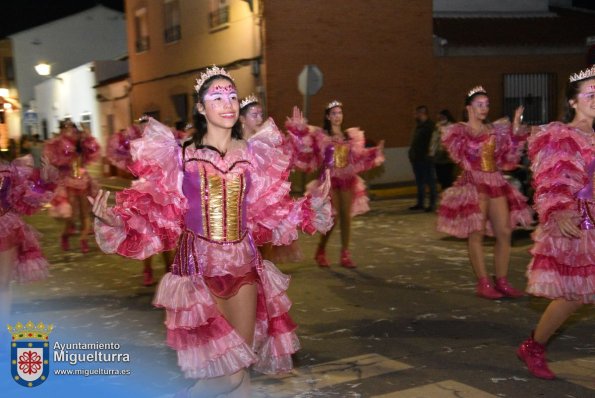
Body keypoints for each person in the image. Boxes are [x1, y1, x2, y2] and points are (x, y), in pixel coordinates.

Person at [89, 66, 332, 397]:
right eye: (217, 97)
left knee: (240, 370)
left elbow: (267, 212)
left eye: (232, 96)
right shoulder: (181, 156)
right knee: (225, 376)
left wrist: (310, 207)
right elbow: (161, 215)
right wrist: (118, 222)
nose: (228, 103)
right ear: (201, 108)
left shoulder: (251, 154)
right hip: (200, 268)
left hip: (244, 264)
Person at [517, 65, 595, 380]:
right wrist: (559, 209)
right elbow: (551, 179)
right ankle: (534, 345)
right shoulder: (561, 135)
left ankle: (533, 345)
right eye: (591, 94)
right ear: (573, 101)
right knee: (572, 297)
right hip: (578, 223)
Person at [436, 86, 532, 299]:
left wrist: (516, 129)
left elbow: (508, 158)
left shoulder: (496, 130)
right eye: (479, 105)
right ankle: (483, 282)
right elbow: (459, 154)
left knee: (505, 232)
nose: (484, 108)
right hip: (473, 183)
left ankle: (502, 281)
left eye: (487, 104)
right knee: (476, 233)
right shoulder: (460, 130)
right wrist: (472, 125)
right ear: (469, 107)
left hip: (495, 181)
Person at [286, 101, 384, 268]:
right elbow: (306, 146)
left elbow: (357, 157)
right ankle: (321, 250)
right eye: (334, 113)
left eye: (339, 113)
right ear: (327, 116)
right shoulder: (321, 135)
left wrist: (373, 152)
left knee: (346, 216)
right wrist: (299, 129)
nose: (337, 116)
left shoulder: (350, 136)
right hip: (328, 181)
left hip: (347, 179)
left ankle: (345, 254)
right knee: (334, 216)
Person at [0, 154, 56, 325]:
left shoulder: (11, 173)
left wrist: (44, 182)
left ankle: (2, 328)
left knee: (3, 282)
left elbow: (29, 196)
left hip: (6, 228)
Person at [44, 119, 100, 253]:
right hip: (68, 181)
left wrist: (87, 134)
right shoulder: (58, 145)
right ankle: (65, 236)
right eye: (66, 128)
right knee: (71, 215)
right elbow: (54, 160)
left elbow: (93, 149)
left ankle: (84, 239)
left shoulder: (82, 144)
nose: (70, 131)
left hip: (83, 181)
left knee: (85, 214)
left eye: (72, 129)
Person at [408, 105, 437, 212]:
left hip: (426, 159)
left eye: (416, 113)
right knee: (419, 182)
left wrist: (429, 155)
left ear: (422, 113)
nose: (414, 115)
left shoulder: (430, 126)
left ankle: (432, 204)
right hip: (417, 159)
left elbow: (433, 143)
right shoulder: (419, 126)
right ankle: (420, 203)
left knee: (430, 181)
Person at [430, 109, 457, 190]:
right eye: (439, 116)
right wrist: (431, 152)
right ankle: (446, 192)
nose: (440, 117)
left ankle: (448, 194)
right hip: (438, 155)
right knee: (440, 177)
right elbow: (434, 140)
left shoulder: (452, 126)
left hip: (447, 155)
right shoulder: (437, 126)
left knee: (447, 177)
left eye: (442, 116)